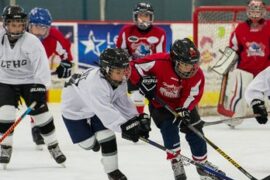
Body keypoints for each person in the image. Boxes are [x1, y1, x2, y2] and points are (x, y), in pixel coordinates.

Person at [129, 38, 223, 180]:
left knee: (195, 130)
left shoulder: (197, 75)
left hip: (182, 105)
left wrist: (184, 109)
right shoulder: (158, 62)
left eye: (192, 64)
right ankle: (175, 160)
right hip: (160, 104)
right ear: (174, 60)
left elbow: (192, 94)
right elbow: (133, 66)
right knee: (169, 128)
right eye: (185, 64)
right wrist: (142, 81)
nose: (189, 69)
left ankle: (202, 165)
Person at [61, 48, 151, 180]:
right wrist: (126, 128)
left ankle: (112, 171)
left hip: (95, 108)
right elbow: (107, 114)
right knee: (89, 145)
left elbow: (122, 102)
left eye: (125, 70)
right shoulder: (95, 85)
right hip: (74, 111)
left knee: (107, 135)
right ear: (106, 70)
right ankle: (91, 142)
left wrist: (135, 119)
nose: (123, 75)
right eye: (118, 72)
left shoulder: (119, 79)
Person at [0, 5, 66, 168]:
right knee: (5, 112)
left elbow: (42, 68)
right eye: (13, 24)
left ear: (25, 24)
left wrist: (40, 87)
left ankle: (53, 145)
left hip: (29, 80)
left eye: (20, 24)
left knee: (41, 114)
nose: (17, 28)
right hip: (5, 81)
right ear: (5, 24)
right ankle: (5, 147)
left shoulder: (32, 42)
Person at [212, 0, 270, 127]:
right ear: (248, 12)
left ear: (263, 12)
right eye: (253, 11)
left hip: (265, 72)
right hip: (245, 71)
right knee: (238, 92)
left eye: (258, 11)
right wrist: (225, 64)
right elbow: (233, 49)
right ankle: (233, 117)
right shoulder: (240, 28)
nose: (255, 14)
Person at [28, 7, 73, 149]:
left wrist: (65, 64)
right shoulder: (20, 35)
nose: (39, 32)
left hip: (37, 73)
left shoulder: (55, 36)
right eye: (36, 27)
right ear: (29, 25)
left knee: (38, 97)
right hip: (16, 71)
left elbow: (66, 54)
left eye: (43, 28)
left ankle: (36, 127)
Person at [116, 2, 166, 114]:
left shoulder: (160, 33)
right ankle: (138, 119)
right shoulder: (126, 31)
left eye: (146, 16)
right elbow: (120, 53)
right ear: (135, 17)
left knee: (156, 101)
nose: (143, 19)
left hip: (150, 71)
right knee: (136, 98)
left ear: (151, 17)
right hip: (132, 70)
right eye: (140, 16)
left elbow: (160, 58)